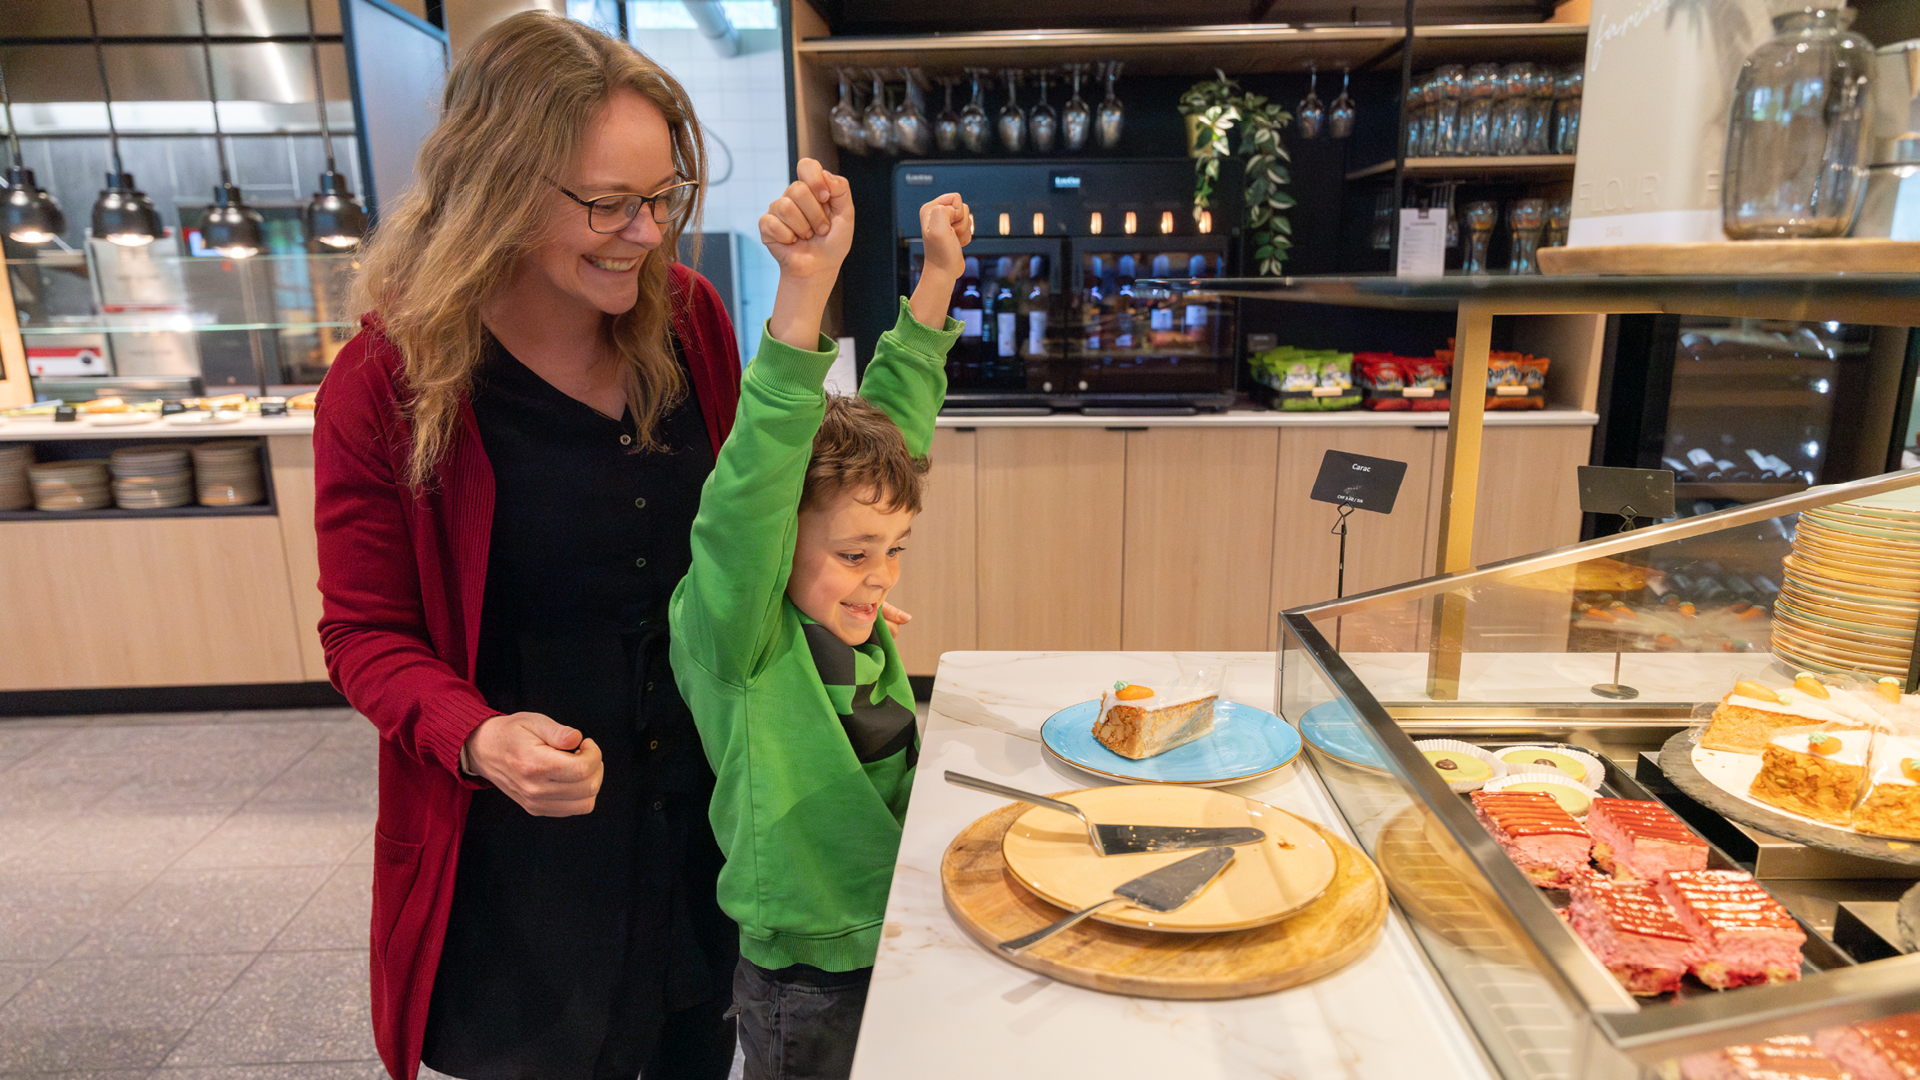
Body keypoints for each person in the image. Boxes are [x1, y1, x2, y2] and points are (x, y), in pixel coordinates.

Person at [313, 13, 757, 1080]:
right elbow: (363, 634)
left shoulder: (690, 322)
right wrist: (478, 735)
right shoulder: (386, 385)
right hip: (520, 864)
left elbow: (738, 537)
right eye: (608, 203)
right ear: (497, 185)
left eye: (663, 197)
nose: (645, 233)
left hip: (699, 832)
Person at [669, 160, 971, 1080]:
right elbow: (759, 473)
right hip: (806, 977)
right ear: (777, 541)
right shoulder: (741, 636)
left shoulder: (836, 601)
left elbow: (893, 436)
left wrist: (938, 278)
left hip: (896, 923)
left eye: (894, 549)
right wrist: (806, 288)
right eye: (854, 555)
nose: (880, 577)